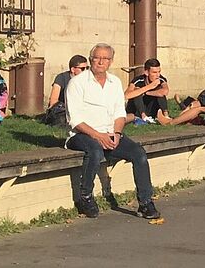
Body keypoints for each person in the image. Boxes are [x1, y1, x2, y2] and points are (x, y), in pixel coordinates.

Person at [65, 43, 160, 221]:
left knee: (139, 153)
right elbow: (75, 120)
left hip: (110, 133)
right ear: (91, 59)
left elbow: (119, 113)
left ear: (110, 62)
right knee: (94, 150)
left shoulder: (114, 82)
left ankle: (146, 203)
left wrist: (116, 134)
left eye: (105, 58)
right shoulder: (77, 83)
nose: (100, 61)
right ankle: (85, 197)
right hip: (82, 135)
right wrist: (98, 136)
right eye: (97, 57)